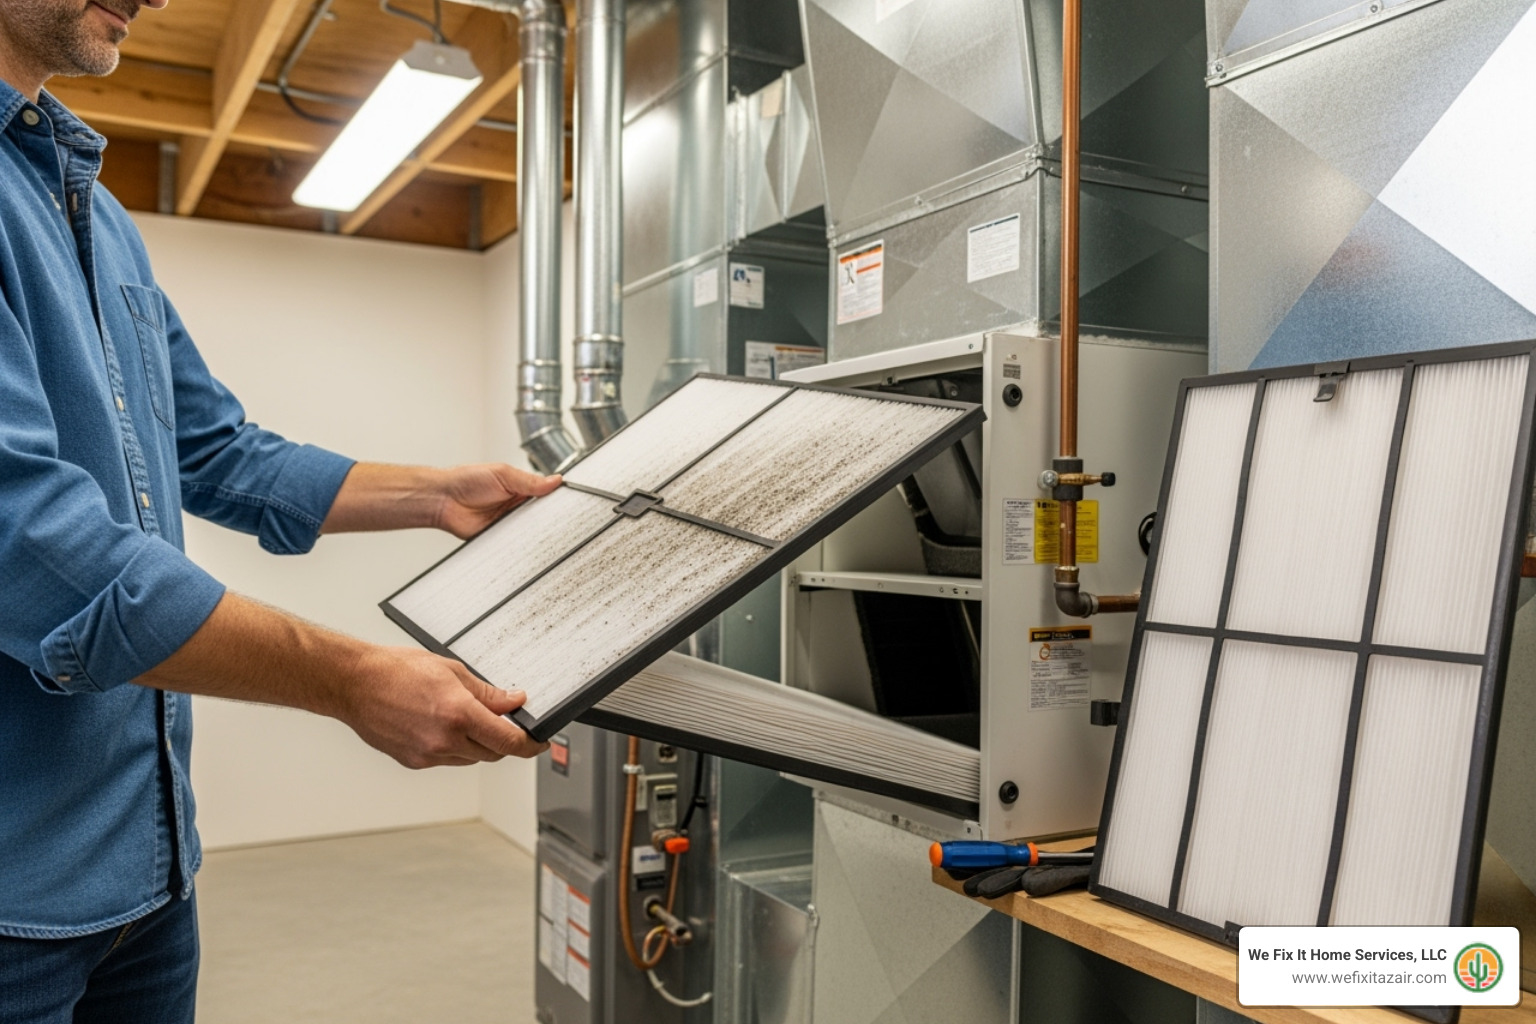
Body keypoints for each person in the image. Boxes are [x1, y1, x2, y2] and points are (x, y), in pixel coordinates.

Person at [0, 1, 555, 1020]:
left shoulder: (94, 213)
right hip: (15, 898)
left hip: (150, 868)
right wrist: (353, 682)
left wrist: (438, 494)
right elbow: (32, 547)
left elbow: (215, 448)